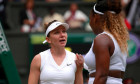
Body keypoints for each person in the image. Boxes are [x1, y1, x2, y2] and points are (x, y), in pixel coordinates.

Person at [84, 0, 129, 84]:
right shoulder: (118, 39)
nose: (90, 23)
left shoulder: (102, 39)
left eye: (90, 18)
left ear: (96, 17)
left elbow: (102, 76)